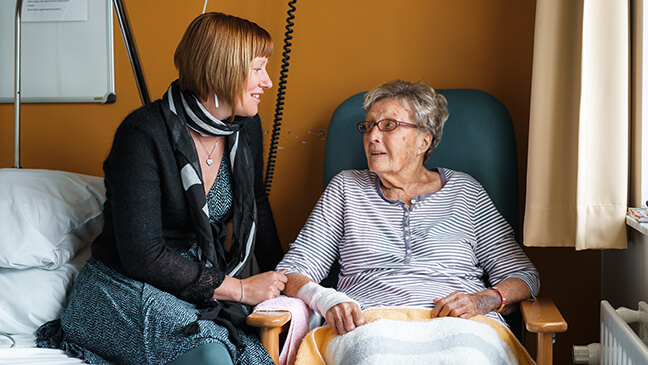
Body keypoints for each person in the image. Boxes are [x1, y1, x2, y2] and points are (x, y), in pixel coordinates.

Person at [36, 12, 287, 365]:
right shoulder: (142, 134)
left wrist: (286, 283)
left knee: (252, 352)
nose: (268, 82)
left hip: (197, 284)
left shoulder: (243, 129)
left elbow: (255, 204)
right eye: (258, 69)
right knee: (218, 355)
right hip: (123, 288)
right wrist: (243, 289)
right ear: (221, 68)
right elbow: (144, 255)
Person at [277, 79, 540, 337]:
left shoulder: (465, 191)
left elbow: (523, 276)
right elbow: (291, 272)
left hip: (461, 325)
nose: (373, 137)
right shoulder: (346, 188)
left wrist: (485, 300)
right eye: (368, 127)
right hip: (370, 324)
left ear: (424, 140)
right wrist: (326, 299)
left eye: (388, 125)